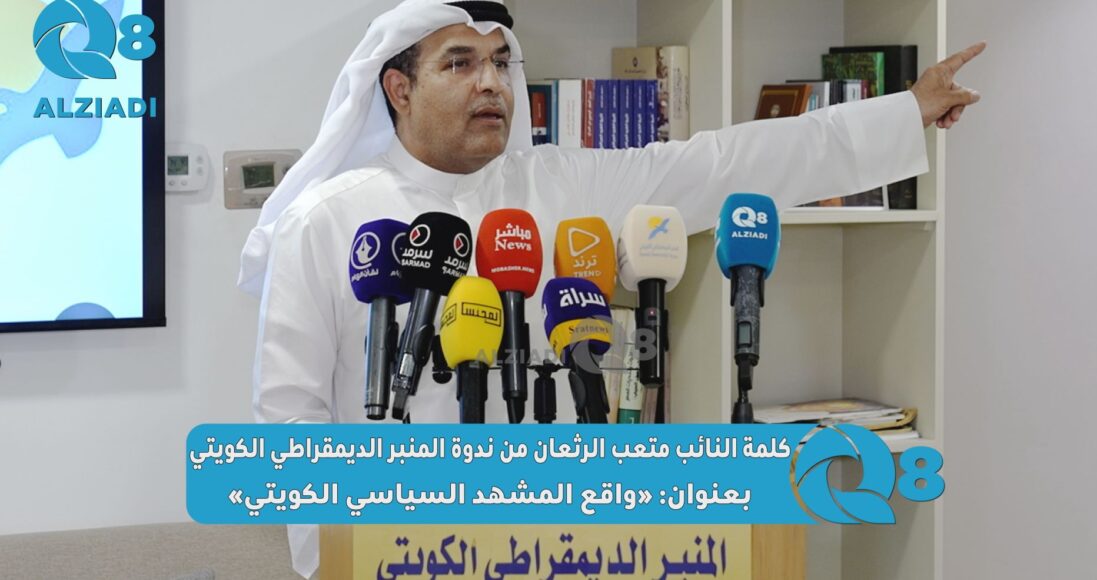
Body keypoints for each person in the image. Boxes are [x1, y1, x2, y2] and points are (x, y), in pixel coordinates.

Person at [237, 1, 984, 576]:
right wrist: (338, 561)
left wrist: (903, 113)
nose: (491, 82)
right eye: (459, 63)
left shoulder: (561, 186)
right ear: (398, 88)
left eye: (499, 61)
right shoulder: (327, 222)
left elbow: (723, 163)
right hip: (399, 547)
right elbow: (290, 417)